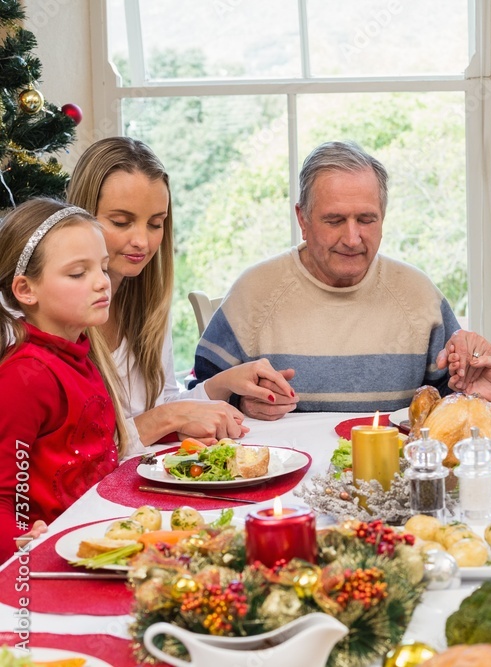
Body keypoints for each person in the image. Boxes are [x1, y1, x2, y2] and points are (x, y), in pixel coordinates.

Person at [193, 140, 491, 416]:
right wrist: (240, 403)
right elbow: (198, 396)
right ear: (302, 220)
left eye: (366, 219)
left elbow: (448, 402)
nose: (353, 238)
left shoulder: (419, 295)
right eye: (335, 220)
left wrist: (473, 395)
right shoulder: (255, 292)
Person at [67, 137, 296, 455]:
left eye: (155, 224)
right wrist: (167, 417)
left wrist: (225, 384)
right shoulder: (46, 317)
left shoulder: (147, 306)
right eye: (121, 222)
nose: (142, 241)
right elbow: (73, 453)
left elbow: (162, 408)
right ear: (79, 218)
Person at [0, 199, 125, 561]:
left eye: (103, 267)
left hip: (97, 537)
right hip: (54, 558)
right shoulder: (25, 377)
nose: (102, 283)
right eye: (77, 274)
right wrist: (23, 543)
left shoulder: (78, 354)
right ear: (26, 290)